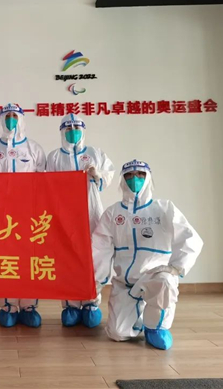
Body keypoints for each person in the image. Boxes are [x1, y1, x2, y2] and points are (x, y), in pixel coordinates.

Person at [92, 160, 203, 350]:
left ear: (148, 178)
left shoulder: (164, 209)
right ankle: (140, 314)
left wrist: (176, 267)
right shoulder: (113, 213)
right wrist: (97, 281)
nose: (134, 179)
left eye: (140, 175)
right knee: (117, 333)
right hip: (125, 283)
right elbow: (100, 248)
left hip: (154, 277)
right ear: (122, 180)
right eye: (129, 175)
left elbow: (190, 237)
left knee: (165, 283)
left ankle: (156, 327)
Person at [0, 103, 46, 328]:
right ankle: (8, 306)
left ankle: (29, 306)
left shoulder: (34, 149)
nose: (11, 120)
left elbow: (45, 182)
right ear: (0, 120)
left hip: (28, 214)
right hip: (0, 215)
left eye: (14, 116)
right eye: (6, 116)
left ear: (22, 119)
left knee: (29, 258)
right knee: (4, 259)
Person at [46, 114, 115, 328]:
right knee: (66, 256)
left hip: (91, 210)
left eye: (76, 127)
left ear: (83, 130)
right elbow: (47, 185)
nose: (72, 131)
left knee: (94, 255)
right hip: (65, 214)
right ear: (61, 131)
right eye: (68, 128)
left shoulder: (95, 153)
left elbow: (108, 174)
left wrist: (97, 174)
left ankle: (91, 302)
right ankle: (70, 304)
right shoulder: (54, 157)